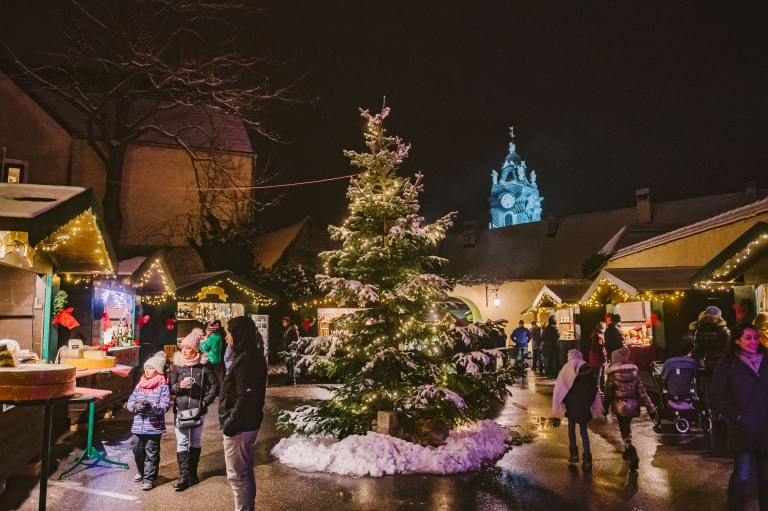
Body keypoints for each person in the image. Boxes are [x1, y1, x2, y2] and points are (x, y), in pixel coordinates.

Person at [709, 323, 768, 510]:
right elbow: (713, 397)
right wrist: (737, 417)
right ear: (737, 340)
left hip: (765, 428)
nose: (753, 342)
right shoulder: (729, 365)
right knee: (742, 475)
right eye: (748, 338)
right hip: (743, 430)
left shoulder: (766, 361)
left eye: (756, 338)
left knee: (766, 476)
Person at [220, 315, 268, 511]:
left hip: (240, 427)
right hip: (245, 424)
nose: (226, 338)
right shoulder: (249, 355)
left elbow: (246, 397)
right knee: (244, 472)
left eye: (229, 333)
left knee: (237, 476)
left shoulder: (247, 359)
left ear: (238, 334)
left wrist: (231, 424)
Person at [170, 329, 219, 491]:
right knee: (182, 441)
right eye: (182, 347)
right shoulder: (177, 365)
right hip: (181, 409)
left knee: (196, 441)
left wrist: (205, 401)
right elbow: (171, 386)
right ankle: (184, 476)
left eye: (188, 348)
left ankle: (193, 473)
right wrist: (179, 387)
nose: (184, 350)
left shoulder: (205, 365)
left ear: (196, 349)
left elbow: (214, 385)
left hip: (199, 410)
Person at [602, 346, 656, 471]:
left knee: (625, 431)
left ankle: (631, 450)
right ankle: (627, 451)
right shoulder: (634, 374)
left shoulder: (612, 375)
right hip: (633, 406)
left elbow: (608, 395)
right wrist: (651, 410)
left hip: (620, 408)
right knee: (627, 427)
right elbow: (643, 394)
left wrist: (604, 408)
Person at [126, 352, 170, 491]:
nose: (147, 370)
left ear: (158, 370)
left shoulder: (163, 386)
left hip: (153, 427)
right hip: (138, 425)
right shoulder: (140, 385)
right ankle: (141, 471)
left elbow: (164, 406)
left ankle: (149, 478)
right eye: (146, 368)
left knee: (151, 451)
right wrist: (134, 406)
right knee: (137, 449)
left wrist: (151, 407)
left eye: (151, 368)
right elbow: (130, 401)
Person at [552, 349, 602, 471]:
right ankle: (587, 459)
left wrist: (562, 402)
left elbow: (561, 387)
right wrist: (589, 403)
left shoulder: (566, 369)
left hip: (571, 405)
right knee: (584, 432)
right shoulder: (588, 370)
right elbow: (593, 389)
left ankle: (574, 455)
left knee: (571, 429)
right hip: (584, 405)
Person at [692, 306, 730, 410]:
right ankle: (721, 414)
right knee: (722, 390)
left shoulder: (699, 331)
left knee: (708, 390)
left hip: (705, 366)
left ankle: (709, 413)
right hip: (721, 365)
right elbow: (729, 348)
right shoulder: (724, 330)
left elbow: (697, 350)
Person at [200, 320, 226, 386]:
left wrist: (199, 344)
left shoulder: (212, 337)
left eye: (207, 330)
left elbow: (204, 347)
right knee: (218, 377)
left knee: (212, 377)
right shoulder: (217, 335)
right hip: (217, 358)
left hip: (211, 359)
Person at [589, 322, 607, 392]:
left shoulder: (596, 334)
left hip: (596, 356)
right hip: (598, 357)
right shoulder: (599, 336)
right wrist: (603, 358)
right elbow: (599, 348)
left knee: (599, 374)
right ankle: (597, 389)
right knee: (598, 374)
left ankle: (600, 388)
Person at [282, 317, 299, 385]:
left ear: (287, 322)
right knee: (289, 364)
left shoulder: (292, 329)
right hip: (288, 349)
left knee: (290, 364)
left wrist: (291, 348)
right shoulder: (288, 329)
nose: (283, 323)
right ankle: (290, 378)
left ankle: (291, 379)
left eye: (284, 322)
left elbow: (292, 339)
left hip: (291, 349)